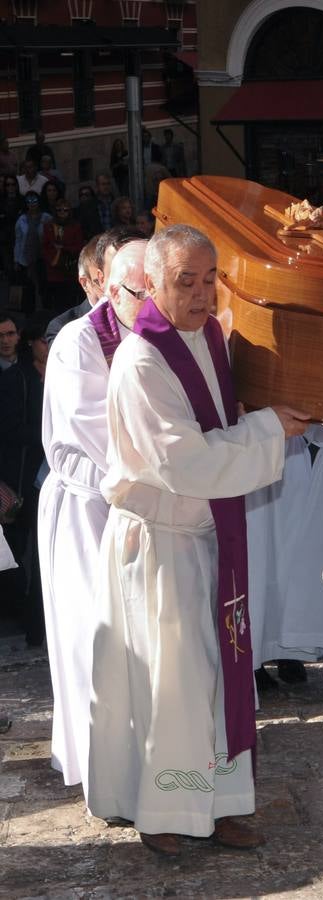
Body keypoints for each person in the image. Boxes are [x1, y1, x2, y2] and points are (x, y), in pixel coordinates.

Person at [87, 224, 310, 857]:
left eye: (211, 278)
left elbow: (222, 422)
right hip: (159, 545)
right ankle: (164, 809)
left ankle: (220, 801)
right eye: (186, 281)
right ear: (150, 284)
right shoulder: (140, 362)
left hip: (206, 539)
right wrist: (269, 430)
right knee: (173, 684)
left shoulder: (209, 335)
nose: (203, 294)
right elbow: (183, 462)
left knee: (218, 677)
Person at [39, 240, 148, 801]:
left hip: (141, 508)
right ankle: (100, 769)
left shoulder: (158, 333)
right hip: (87, 509)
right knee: (93, 638)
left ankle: (145, 761)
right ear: (109, 289)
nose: (150, 299)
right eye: (139, 289)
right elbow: (88, 432)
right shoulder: (78, 342)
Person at [0, 311, 50, 645]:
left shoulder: (39, 376)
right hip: (18, 476)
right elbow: (12, 429)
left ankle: (32, 625)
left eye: (10, 334)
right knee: (18, 552)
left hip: (38, 476)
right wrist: (48, 433)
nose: (6, 340)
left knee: (31, 554)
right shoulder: (17, 379)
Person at [45, 235, 104, 344]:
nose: (112, 289)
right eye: (101, 281)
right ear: (85, 283)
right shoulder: (61, 327)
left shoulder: (136, 318)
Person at [42, 198, 85, 313]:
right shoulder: (49, 226)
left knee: (69, 300)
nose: (62, 213)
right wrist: (52, 258)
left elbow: (79, 245)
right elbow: (44, 246)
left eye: (65, 210)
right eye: (59, 210)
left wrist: (64, 249)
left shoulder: (75, 226)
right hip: (53, 269)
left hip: (69, 269)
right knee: (55, 301)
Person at [14, 191, 50, 313]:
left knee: (43, 286)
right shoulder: (21, 220)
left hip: (43, 258)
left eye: (34, 201)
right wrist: (16, 260)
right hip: (26, 259)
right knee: (29, 287)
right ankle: (30, 312)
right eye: (29, 201)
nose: (32, 204)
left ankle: (45, 311)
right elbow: (18, 241)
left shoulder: (47, 218)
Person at [78, 173, 115, 239]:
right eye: (103, 184)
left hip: (115, 240)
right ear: (97, 186)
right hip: (96, 242)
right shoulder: (88, 206)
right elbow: (84, 227)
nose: (106, 187)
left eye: (108, 184)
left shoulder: (116, 202)